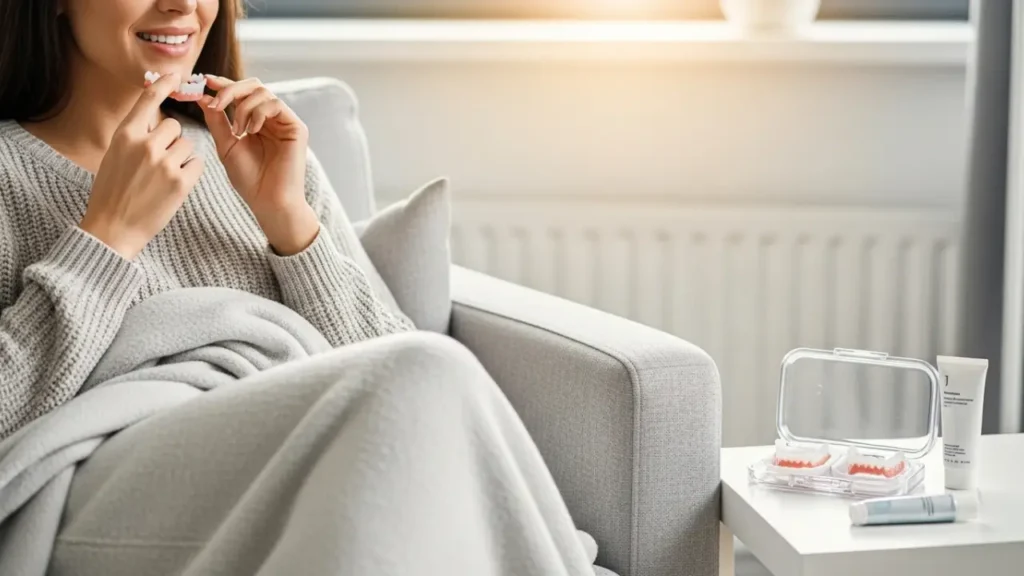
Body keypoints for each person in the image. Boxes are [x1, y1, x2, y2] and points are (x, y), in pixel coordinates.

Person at [0, 1, 594, 574]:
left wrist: (288, 220)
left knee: (426, 375)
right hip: (106, 491)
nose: (182, 4)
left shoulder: (262, 158)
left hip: (295, 468)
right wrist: (107, 236)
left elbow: (382, 369)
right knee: (427, 368)